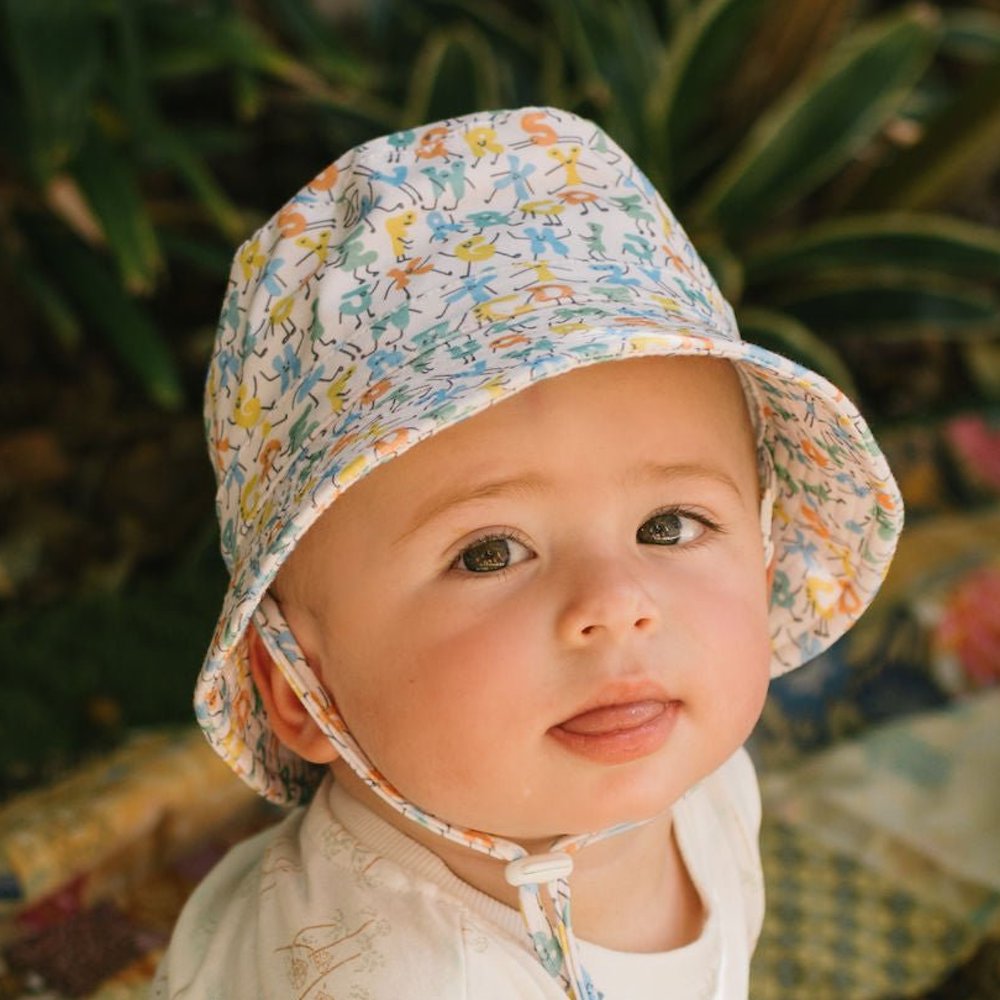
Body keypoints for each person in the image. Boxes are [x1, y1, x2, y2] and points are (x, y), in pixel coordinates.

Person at [154, 106, 902, 999]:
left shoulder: (696, 779)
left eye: (669, 526)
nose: (616, 603)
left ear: (765, 562)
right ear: (300, 685)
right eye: (490, 553)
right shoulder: (404, 982)